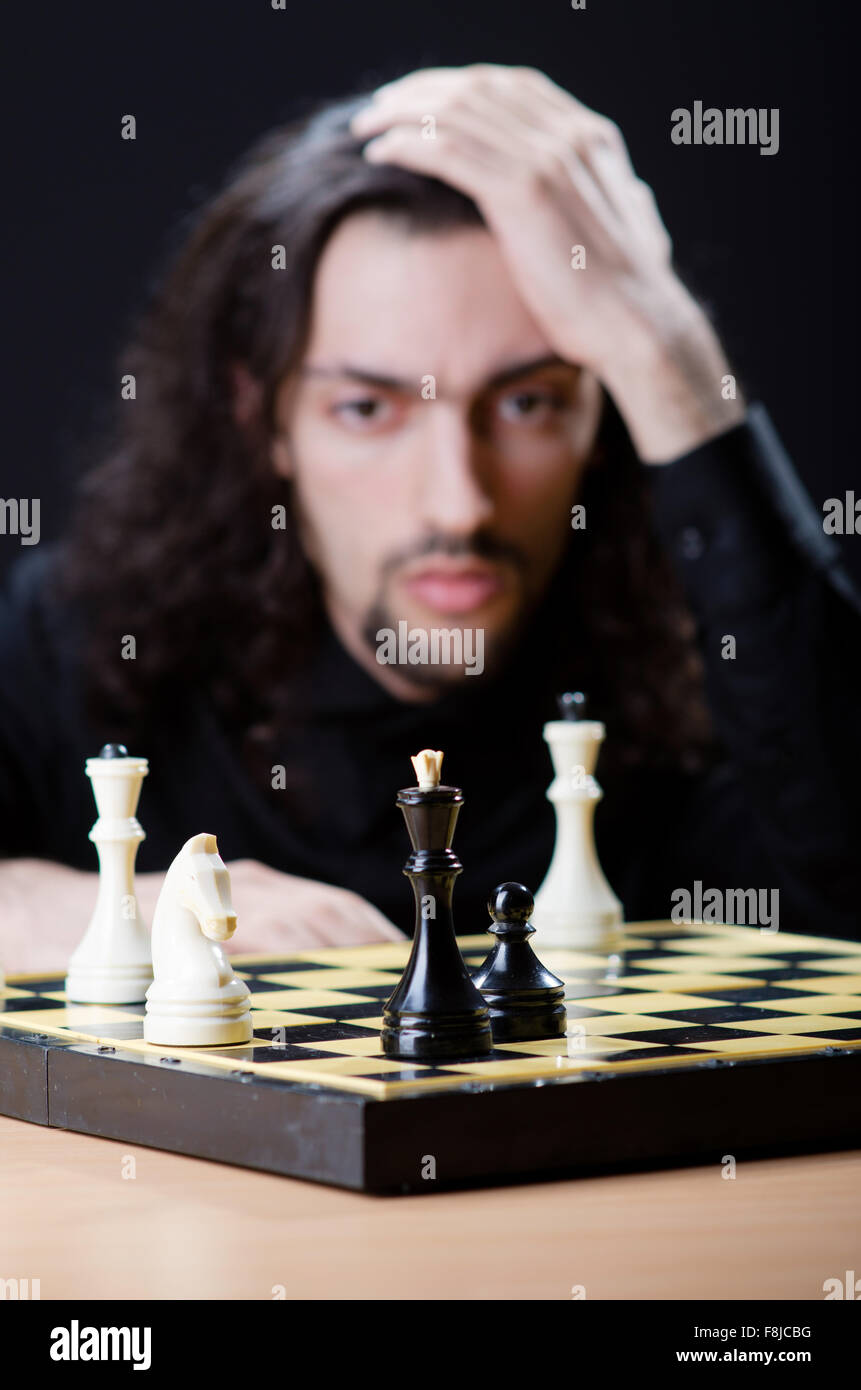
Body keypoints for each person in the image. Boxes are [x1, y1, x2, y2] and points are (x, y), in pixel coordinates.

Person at [1, 64, 859, 971]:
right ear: (263, 419)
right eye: (367, 410)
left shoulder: (716, 682)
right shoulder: (78, 641)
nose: (460, 502)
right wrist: (123, 910)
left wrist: (664, 349)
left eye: (527, 403)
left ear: (602, 416)